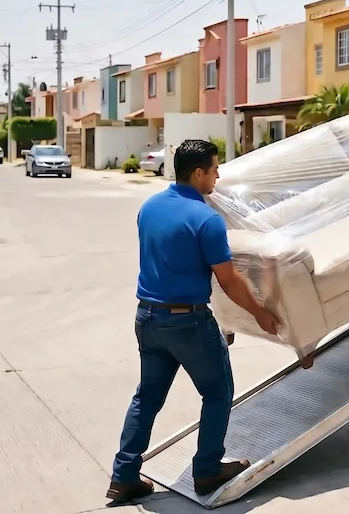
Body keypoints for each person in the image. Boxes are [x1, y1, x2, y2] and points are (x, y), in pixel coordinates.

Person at [106, 139, 281, 504]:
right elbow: (228, 280)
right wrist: (260, 314)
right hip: (187, 322)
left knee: (148, 397)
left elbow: (178, 266)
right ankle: (207, 469)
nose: (218, 175)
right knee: (218, 392)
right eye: (215, 169)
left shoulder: (149, 207)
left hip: (148, 318)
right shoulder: (206, 220)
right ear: (198, 172)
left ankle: (124, 475)